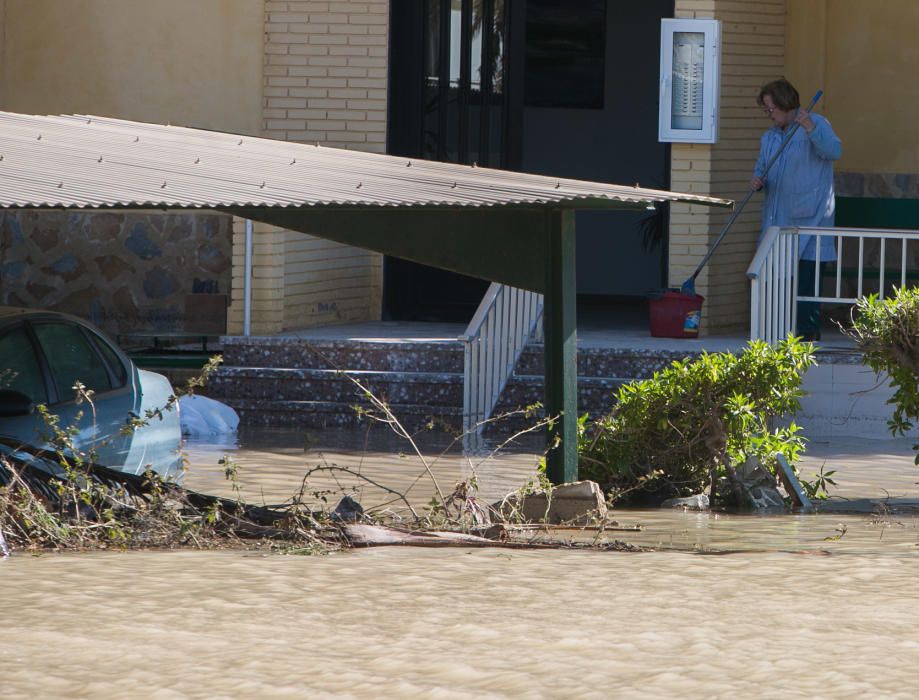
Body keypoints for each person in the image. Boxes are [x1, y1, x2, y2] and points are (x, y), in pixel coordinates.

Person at [751, 78, 842, 341]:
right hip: (777, 218)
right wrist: (757, 181)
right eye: (766, 110)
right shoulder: (769, 137)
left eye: (772, 110)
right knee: (775, 280)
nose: (769, 115)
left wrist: (811, 129)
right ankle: (775, 331)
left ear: (786, 104)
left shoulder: (817, 124)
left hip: (810, 219)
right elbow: (761, 168)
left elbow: (834, 151)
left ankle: (806, 333)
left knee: (806, 282)